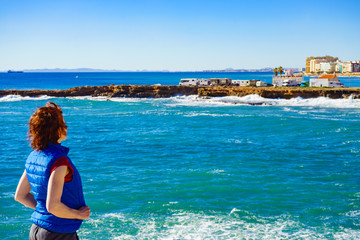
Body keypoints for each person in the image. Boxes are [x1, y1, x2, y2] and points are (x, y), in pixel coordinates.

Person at [15, 102, 90, 240]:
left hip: (37, 230)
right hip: (57, 233)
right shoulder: (59, 161)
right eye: (62, 123)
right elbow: (53, 206)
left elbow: (20, 196)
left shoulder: (34, 156)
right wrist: (79, 214)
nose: (66, 127)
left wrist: (44, 212)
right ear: (56, 130)